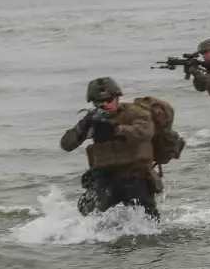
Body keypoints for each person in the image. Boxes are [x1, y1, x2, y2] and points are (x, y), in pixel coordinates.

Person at [60, 77, 159, 218]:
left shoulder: (135, 112)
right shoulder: (93, 118)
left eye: (109, 100)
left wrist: (117, 130)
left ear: (117, 98)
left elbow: (144, 131)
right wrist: (82, 126)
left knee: (148, 220)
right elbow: (66, 145)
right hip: (105, 177)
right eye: (99, 102)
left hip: (135, 175)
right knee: (87, 212)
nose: (105, 105)